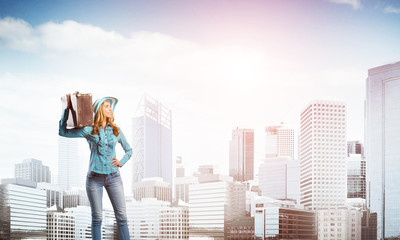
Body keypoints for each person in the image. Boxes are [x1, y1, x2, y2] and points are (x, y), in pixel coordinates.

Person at [59, 95, 132, 240]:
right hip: (94, 179)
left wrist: (121, 162)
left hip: (114, 178)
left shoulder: (116, 130)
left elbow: (129, 150)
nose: (110, 108)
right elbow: (63, 132)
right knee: (97, 217)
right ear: (99, 110)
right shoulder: (89, 130)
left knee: (122, 218)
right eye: (106, 106)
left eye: (110, 106)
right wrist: (66, 110)